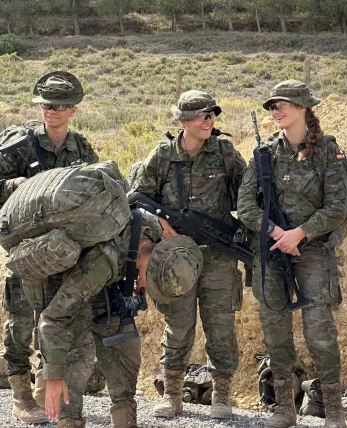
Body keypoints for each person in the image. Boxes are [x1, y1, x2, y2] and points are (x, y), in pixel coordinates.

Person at [237, 80, 347, 428]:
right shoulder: (266, 153)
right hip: (272, 251)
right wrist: (276, 232)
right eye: (272, 106)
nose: (276, 111)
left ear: (303, 108)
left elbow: (337, 206)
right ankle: (284, 408)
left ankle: (334, 410)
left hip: (312, 250)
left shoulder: (328, 151)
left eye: (283, 104)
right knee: (275, 331)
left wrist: (299, 233)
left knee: (319, 331)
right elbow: (244, 206)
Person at [131, 89, 246, 419]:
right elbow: (136, 198)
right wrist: (160, 223)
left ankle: (222, 396)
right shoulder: (163, 155)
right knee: (178, 324)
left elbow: (247, 197)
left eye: (212, 115)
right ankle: (172, 394)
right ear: (183, 121)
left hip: (219, 257)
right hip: (175, 259)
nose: (209, 121)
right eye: (202, 116)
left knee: (220, 327)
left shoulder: (224, 151)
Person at [34, 206, 202, 428]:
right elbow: (54, 317)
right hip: (68, 281)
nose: (146, 289)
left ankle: (125, 421)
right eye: (150, 284)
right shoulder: (101, 265)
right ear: (147, 268)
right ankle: (69, 419)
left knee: (123, 342)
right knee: (79, 350)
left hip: (105, 283)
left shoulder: (151, 229)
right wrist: (53, 374)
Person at [0, 70, 98, 425]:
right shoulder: (17, 144)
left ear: (73, 109)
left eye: (60, 105)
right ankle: (21, 397)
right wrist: (15, 185)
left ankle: (48, 391)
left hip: (66, 251)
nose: (51, 111)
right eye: (45, 104)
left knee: (56, 320)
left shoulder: (81, 147)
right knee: (21, 322)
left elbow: (95, 189)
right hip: (26, 248)